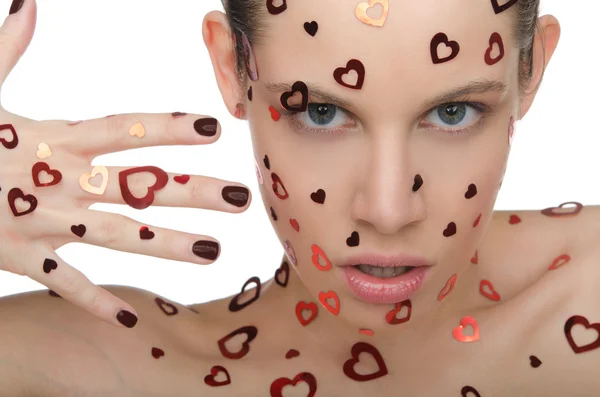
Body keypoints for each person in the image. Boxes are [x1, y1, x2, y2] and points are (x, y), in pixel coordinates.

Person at [0, 0, 598, 395]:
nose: (388, 211)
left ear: (531, 70)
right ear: (233, 67)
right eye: (321, 111)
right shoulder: (99, 367)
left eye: (452, 112)